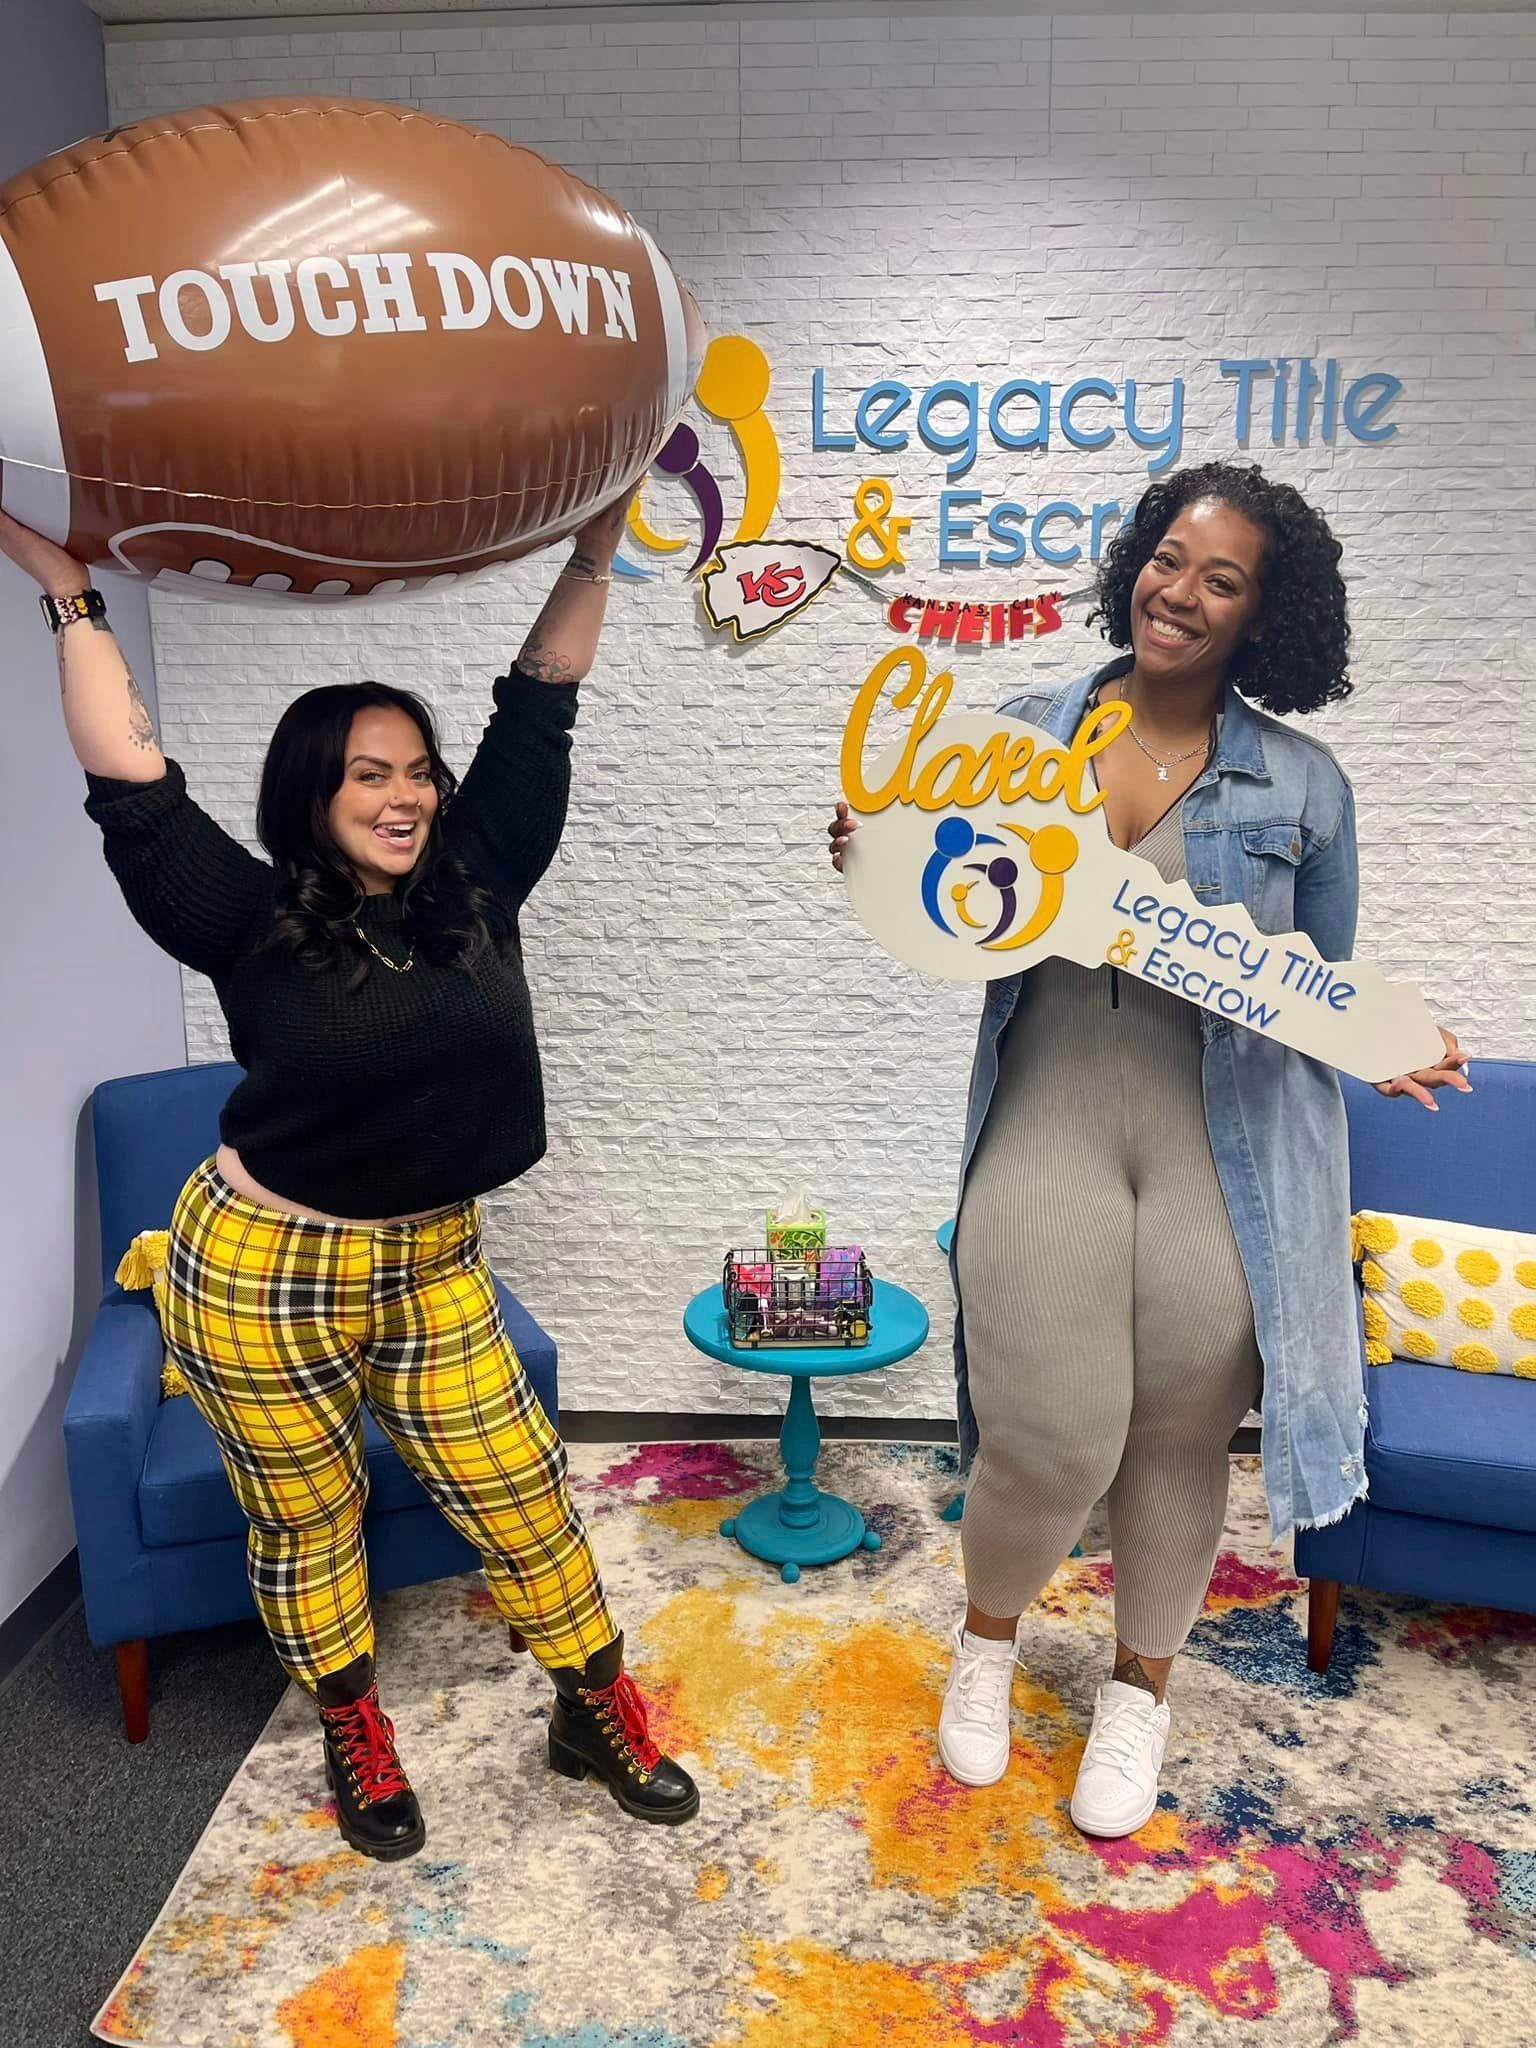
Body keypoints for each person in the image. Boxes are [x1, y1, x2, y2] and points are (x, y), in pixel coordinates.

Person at [1, 500, 699, 1859]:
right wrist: (65, 585)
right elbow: (130, 779)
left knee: (521, 1489)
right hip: (260, 1274)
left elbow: (542, 697)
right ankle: (352, 1725)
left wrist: (596, 548)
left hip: (433, 1263)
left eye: (419, 771)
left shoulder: (483, 878)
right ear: (313, 796)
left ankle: (592, 1703)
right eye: (371, 774)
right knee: (305, 1519)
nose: (407, 795)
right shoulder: (245, 918)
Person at [829, 462, 1468, 1839]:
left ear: (1263, 614)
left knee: (1178, 1443)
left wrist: (1386, 1040)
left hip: (1221, 1149)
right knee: (1051, 1436)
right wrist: (879, 860)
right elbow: (951, 915)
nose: (1181, 592)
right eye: (1171, 559)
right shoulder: (1012, 738)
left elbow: (1318, 985)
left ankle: (1138, 1693)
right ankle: (988, 1641)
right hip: (1048, 1117)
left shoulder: (1304, 783)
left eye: (1221, 579)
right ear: (1137, 560)